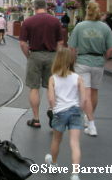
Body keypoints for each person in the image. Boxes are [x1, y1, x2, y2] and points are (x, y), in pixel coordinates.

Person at [67, 2, 112, 137]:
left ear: (87, 11)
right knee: (94, 92)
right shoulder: (105, 27)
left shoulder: (80, 26)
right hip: (98, 62)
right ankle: (89, 118)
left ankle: (91, 124)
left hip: (82, 62)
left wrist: (73, 61)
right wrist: (105, 57)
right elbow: (111, 48)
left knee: (85, 94)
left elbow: (71, 47)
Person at [19, 0, 63, 128]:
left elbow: (22, 43)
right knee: (51, 86)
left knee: (34, 87)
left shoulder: (28, 22)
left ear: (34, 7)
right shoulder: (55, 21)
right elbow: (60, 42)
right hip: (52, 55)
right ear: (46, 7)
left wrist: (29, 56)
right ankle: (51, 110)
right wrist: (58, 56)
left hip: (35, 55)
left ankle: (36, 119)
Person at [45, 47, 85, 180]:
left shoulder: (53, 79)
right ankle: (74, 174)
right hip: (75, 111)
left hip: (60, 112)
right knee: (74, 143)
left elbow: (51, 99)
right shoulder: (78, 78)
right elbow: (84, 99)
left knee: (57, 140)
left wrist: (53, 108)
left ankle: (54, 164)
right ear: (72, 61)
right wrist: (82, 112)